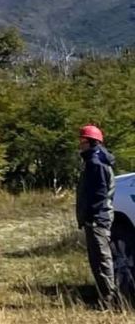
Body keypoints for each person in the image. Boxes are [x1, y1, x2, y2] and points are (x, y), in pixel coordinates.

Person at [76, 124, 119, 310]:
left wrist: (90, 215)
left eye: (82, 140)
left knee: (101, 259)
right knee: (99, 259)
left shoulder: (96, 162)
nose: (80, 144)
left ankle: (109, 300)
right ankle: (106, 297)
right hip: (98, 216)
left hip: (97, 218)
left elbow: (100, 194)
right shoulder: (95, 159)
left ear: (91, 142)